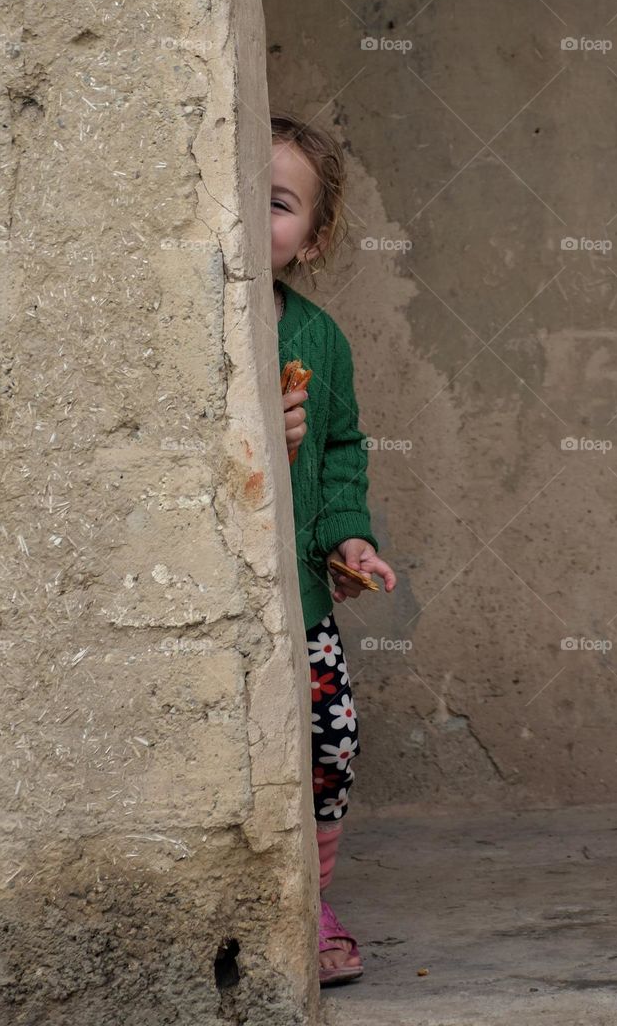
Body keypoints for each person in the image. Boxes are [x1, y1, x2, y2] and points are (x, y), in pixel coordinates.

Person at [271, 111, 398, 987]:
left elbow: (341, 450)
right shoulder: (199, 328)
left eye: (279, 202)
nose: (253, 210)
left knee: (329, 748)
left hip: (307, 606)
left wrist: (345, 538)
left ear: (311, 242)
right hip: (231, 610)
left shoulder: (318, 339)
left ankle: (310, 901)